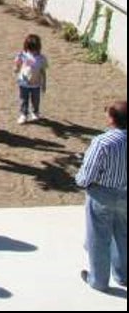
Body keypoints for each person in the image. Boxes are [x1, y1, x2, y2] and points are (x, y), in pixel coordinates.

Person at [75, 99, 127, 293]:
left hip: (103, 194)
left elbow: (88, 173)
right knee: (123, 235)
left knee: (98, 237)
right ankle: (123, 275)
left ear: (113, 119)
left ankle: (98, 280)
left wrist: (80, 181)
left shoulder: (102, 142)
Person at [14, 33, 49, 124]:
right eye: (30, 49)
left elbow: (43, 71)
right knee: (23, 99)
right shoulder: (23, 55)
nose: (33, 52)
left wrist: (44, 83)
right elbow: (18, 64)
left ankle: (35, 112)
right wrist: (16, 68)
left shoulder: (41, 58)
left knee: (36, 100)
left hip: (36, 83)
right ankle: (23, 114)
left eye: (35, 49)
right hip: (23, 83)